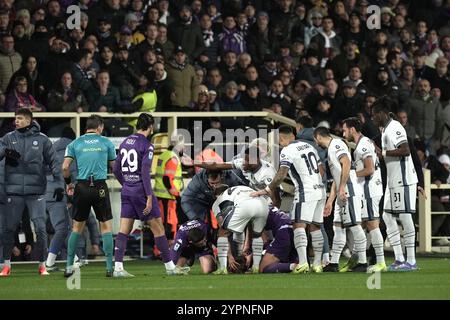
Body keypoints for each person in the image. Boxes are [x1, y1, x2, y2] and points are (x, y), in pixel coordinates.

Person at [113, 113, 186, 277]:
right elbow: (145, 172)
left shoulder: (125, 142)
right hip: (141, 191)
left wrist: (125, 184)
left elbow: (116, 168)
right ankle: (170, 267)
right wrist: (148, 196)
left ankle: (118, 267)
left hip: (127, 191)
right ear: (151, 126)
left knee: (124, 229)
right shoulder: (147, 145)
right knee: (158, 228)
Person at [252, 125, 325, 273]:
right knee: (316, 227)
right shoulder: (309, 146)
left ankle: (303, 263)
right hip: (320, 190)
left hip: (306, 192)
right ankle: (317, 264)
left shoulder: (287, 150)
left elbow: (281, 173)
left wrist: (267, 189)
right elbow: (321, 169)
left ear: (281, 138)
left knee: (299, 225)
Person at [0, 108, 60, 276]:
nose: (16, 121)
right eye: (15, 118)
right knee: (8, 229)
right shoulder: (8, 138)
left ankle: (42, 265)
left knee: (41, 229)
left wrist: (60, 185)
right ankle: (6, 265)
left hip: (36, 193)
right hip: (14, 192)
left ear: (28, 120)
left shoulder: (42, 140)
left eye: (19, 118)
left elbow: (55, 163)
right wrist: (4, 152)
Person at [62, 115, 116, 278]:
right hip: (100, 186)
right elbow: (115, 166)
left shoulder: (75, 143)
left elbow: (64, 167)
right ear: (99, 127)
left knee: (76, 228)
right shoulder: (106, 142)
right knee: (105, 226)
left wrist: (69, 183)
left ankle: (69, 267)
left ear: (87, 127)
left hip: (82, 186)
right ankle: (108, 267)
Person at [372, 102, 420, 271]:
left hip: (404, 180)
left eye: (374, 114)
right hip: (393, 181)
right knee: (386, 216)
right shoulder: (385, 130)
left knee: (406, 217)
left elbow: (406, 150)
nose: (373, 118)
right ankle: (399, 258)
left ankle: (412, 261)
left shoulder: (395, 127)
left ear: (383, 113)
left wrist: (382, 153)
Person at [313, 126, 368, 272]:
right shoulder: (331, 149)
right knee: (338, 227)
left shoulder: (336, 144)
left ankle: (362, 262)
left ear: (318, 137)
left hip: (349, 189)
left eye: (315, 139)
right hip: (342, 191)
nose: (316, 142)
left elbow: (347, 163)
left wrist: (343, 187)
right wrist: (330, 201)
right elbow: (336, 179)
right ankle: (334, 263)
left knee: (355, 226)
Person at [342, 118, 386, 273]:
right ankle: (358, 260)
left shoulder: (362, 146)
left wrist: (351, 174)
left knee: (372, 224)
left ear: (352, 129)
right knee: (362, 224)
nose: (343, 132)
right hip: (370, 188)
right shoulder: (366, 142)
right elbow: (379, 156)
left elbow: (369, 169)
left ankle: (380, 261)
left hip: (370, 189)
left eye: (345, 129)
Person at [212, 185, 269, 274]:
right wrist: (246, 245)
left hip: (245, 205)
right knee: (257, 235)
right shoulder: (239, 188)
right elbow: (249, 223)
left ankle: (223, 268)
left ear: (216, 196)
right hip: (263, 203)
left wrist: (230, 256)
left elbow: (222, 229)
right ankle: (256, 267)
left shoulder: (217, 202)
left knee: (223, 233)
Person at [44, 127, 75, 271]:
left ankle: (71, 259)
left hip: (41, 194)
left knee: (55, 229)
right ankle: (50, 263)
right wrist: (70, 196)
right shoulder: (72, 151)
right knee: (63, 228)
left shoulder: (50, 148)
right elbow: (70, 173)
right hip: (57, 193)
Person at [259, 206, 298, 273]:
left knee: (263, 268)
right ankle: (297, 264)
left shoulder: (251, 212)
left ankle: (294, 266)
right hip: (293, 229)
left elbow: (264, 239)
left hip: (283, 232)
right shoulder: (265, 206)